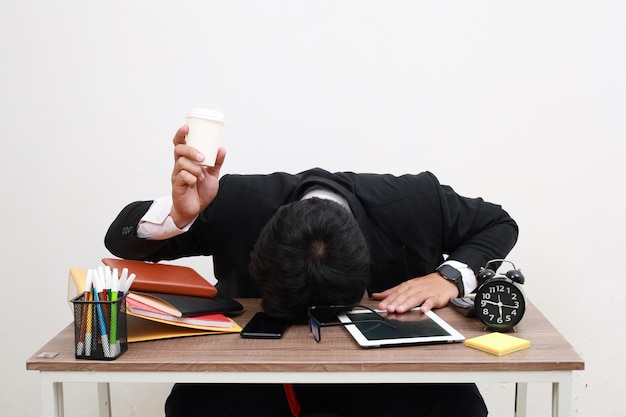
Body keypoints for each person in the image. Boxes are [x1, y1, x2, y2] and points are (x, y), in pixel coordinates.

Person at [105, 125, 518, 417]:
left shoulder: (415, 203)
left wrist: (447, 276)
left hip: (388, 374)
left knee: (459, 405)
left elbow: (499, 222)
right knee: (190, 404)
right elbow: (119, 239)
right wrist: (178, 216)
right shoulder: (233, 204)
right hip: (259, 374)